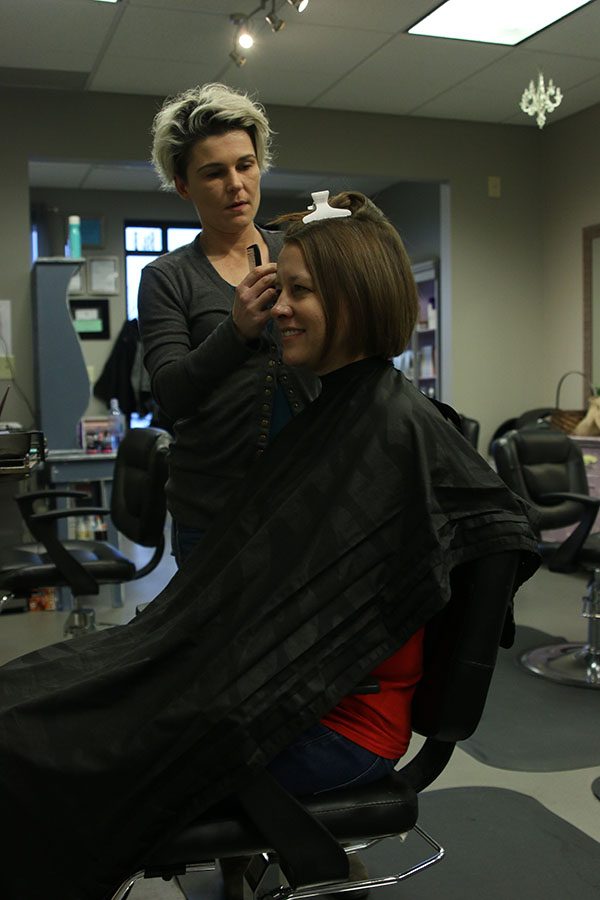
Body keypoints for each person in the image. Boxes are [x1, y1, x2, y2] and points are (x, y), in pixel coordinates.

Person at [0, 192, 540, 900]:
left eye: (300, 291)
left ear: (356, 296)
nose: (276, 309)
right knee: (33, 697)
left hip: (339, 723)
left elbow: (344, 612)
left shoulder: (393, 432)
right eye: (277, 288)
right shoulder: (338, 412)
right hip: (289, 693)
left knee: (48, 750)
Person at [138, 82, 320, 566]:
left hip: (311, 497)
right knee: (218, 642)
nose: (236, 185)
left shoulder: (304, 252)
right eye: (214, 173)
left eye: (245, 165)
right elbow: (172, 394)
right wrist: (235, 329)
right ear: (183, 185)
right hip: (214, 512)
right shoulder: (167, 278)